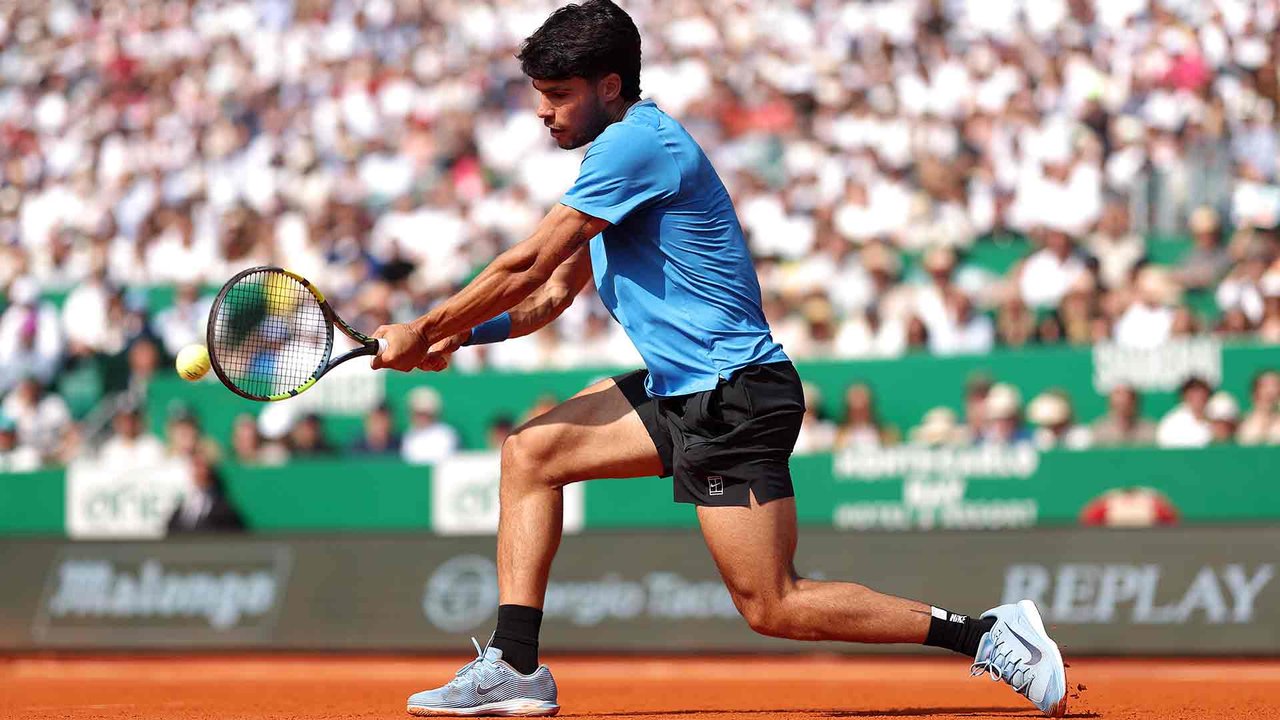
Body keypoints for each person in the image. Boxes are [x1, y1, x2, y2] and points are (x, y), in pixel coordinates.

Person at [371, 3, 1066, 717]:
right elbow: (550, 295)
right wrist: (461, 336)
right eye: (539, 95)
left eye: (558, 95)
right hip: (681, 388)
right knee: (530, 455)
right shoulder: (612, 162)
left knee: (774, 604)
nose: (542, 112)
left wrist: (424, 326)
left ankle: (986, 635)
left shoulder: (635, 146)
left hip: (735, 395)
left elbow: (529, 262)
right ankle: (515, 665)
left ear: (609, 86)